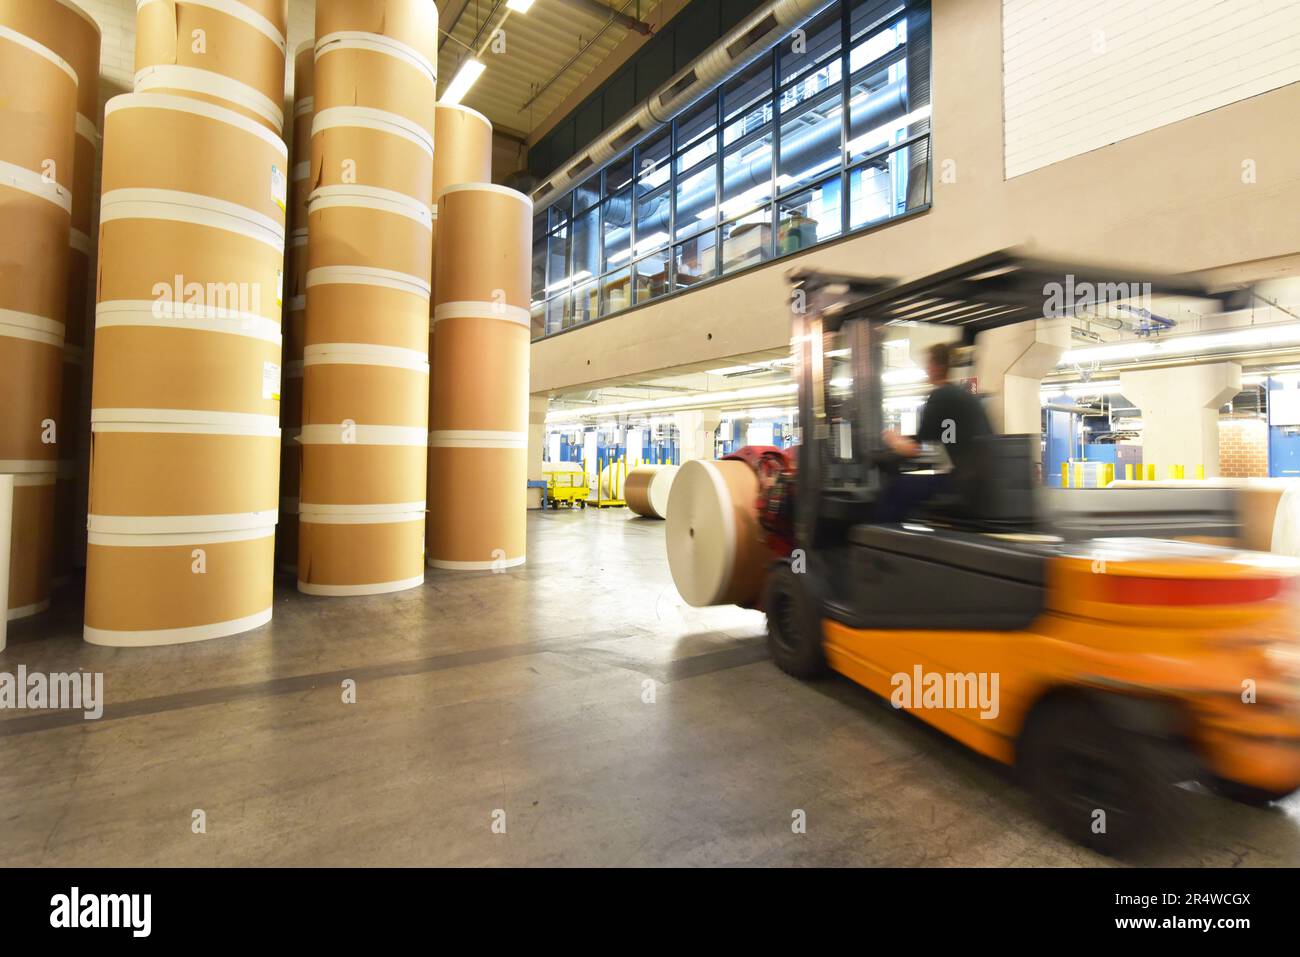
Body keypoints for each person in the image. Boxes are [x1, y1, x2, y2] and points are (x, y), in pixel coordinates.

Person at [877, 342, 992, 522]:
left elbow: (918, 449)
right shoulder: (963, 395)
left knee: (896, 489)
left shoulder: (940, 396)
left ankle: (883, 538)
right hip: (976, 482)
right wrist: (905, 440)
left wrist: (894, 441)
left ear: (936, 366)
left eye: (928, 364)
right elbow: (944, 438)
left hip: (957, 483)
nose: (926, 368)